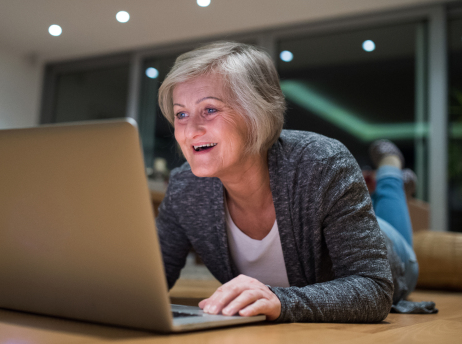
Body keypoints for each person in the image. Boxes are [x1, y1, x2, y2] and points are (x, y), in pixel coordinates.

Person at [155, 41, 429, 323]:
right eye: (181, 114)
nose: (191, 131)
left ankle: (391, 172)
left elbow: (374, 287)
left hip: (394, 255)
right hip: (333, 216)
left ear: (257, 113)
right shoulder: (184, 188)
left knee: (393, 226)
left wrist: (281, 301)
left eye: (210, 109)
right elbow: (151, 278)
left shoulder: (323, 162)